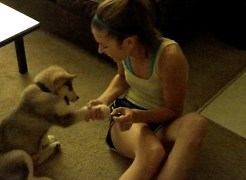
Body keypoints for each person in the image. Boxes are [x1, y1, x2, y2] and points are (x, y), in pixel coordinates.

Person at [85, 0, 208, 179]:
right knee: (152, 151)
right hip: (127, 119)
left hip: (162, 119)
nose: (100, 50)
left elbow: (173, 110)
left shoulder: (169, 56)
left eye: (104, 45)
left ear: (129, 42)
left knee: (196, 123)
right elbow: (122, 77)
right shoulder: (123, 51)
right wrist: (103, 100)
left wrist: (138, 115)